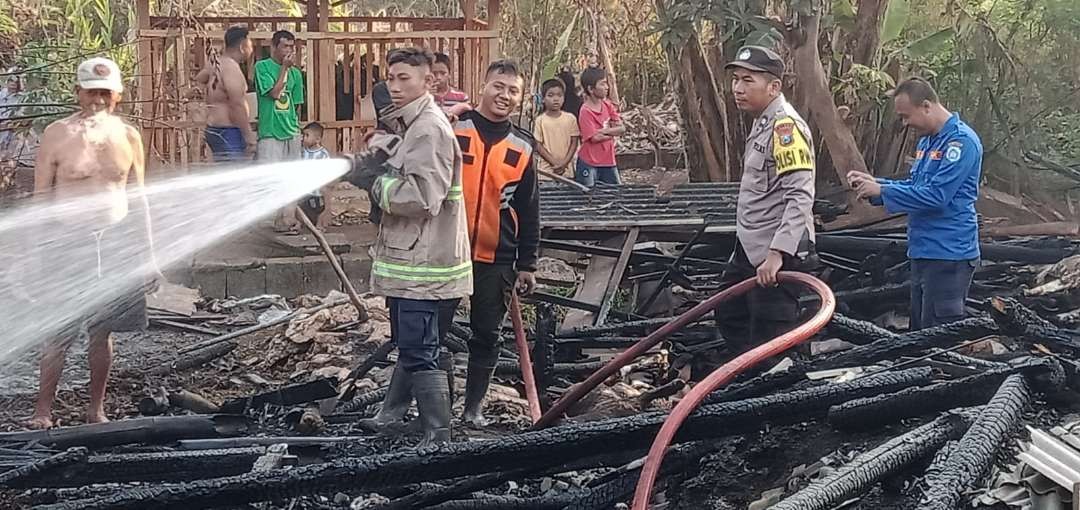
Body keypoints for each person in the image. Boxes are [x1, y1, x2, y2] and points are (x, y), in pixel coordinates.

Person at [344, 47, 470, 446]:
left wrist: (374, 183)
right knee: (413, 344)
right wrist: (374, 164)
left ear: (428, 81)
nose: (394, 87)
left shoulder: (428, 128)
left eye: (404, 79)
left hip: (423, 265)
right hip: (418, 261)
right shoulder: (413, 126)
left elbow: (423, 197)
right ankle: (392, 414)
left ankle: (438, 434)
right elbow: (405, 167)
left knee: (418, 348)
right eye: (390, 78)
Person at [27, 57, 162, 429]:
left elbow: (139, 198)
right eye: (91, 92)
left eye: (105, 93)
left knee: (102, 333)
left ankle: (95, 409)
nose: (97, 100)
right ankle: (42, 411)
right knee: (59, 333)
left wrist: (148, 256)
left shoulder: (129, 136)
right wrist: (37, 252)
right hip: (67, 243)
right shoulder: (57, 134)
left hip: (115, 242)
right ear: (78, 93)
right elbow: (41, 198)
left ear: (117, 95)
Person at [848, 77, 982, 330]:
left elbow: (937, 196)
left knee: (939, 333)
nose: (905, 123)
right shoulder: (927, 142)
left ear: (927, 106)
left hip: (949, 254)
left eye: (906, 116)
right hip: (923, 250)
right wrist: (875, 186)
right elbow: (916, 186)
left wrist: (883, 190)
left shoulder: (961, 142)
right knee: (919, 330)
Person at [454, 60, 540, 427]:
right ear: (483, 86)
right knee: (435, 332)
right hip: (447, 251)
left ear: (520, 98)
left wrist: (528, 263)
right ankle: (436, 410)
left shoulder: (522, 146)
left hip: (497, 256)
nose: (504, 95)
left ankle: (472, 409)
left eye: (513, 90)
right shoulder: (454, 128)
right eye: (498, 86)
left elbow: (530, 207)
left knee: (487, 334)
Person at [716, 46, 817, 349]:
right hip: (751, 247)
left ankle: (772, 389)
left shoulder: (785, 127)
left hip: (777, 254)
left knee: (772, 337)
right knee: (729, 312)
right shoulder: (763, 121)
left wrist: (778, 253)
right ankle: (745, 378)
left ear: (774, 87)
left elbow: (800, 195)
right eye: (736, 80)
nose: (738, 89)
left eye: (748, 81)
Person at [254, 30, 305, 232]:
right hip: (270, 131)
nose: (289, 51)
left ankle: (288, 219)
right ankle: (268, 219)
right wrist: (284, 69)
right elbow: (275, 93)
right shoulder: (262, 67)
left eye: (292, 47)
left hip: (291, 131)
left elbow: (297, 103)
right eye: (285, 46)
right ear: (274, 47)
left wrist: (296, 128)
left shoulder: (296, 74)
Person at [195, 25, 256, 162]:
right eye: (250, 45)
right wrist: (248, 135)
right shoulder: (231, 69)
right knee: (235, 178)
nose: (251, 49)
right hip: (228, 132)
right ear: (242, 46)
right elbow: (237, 105)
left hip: (214, 129)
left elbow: (198, 82)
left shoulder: (215, 64)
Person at [576, 67, 624, 187]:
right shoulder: (585, 111)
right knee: (589, 195)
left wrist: (603, 131)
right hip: (589, 161)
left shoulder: (607, 105)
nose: (607, 87)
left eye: (606, 83)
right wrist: (613, 133)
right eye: (602, 84)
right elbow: (594, 139)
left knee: (615, 192)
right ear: (591, 89)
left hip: (608, 160)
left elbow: (622, 128)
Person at [533, 78, 580, 179]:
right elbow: (538, 145)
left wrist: (564, 163)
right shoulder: (540, 120)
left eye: (559, 95)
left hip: (567, 172)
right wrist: (554, 163)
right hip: (546, 173)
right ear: (543, 99)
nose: (555, 99)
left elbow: (574, 143)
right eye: (550, 95)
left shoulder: (570, 118)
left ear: (564, 98)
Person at [298, 121, 332, 228]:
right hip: (304, 190)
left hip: (318, 191)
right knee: (302, 208)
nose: (304, 138)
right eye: (303, 135)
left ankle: (320, 225)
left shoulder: (323, 154)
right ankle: (300, 223)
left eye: (307, 135)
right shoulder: (303, 152)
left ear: (318, 139)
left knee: (318, 209)